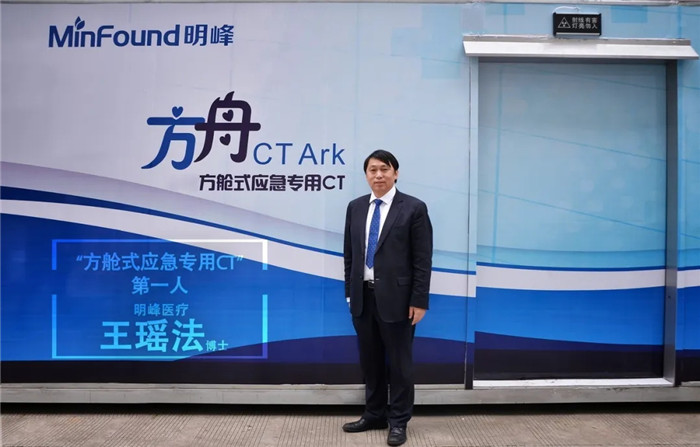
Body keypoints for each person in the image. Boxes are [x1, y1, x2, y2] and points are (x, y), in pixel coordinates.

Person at [342, 150, 433, 446]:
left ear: (396, 173)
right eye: (373, 170)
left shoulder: (413, 208)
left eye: (384, 169)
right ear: (366, 175)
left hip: (399, 301)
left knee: (400, 364)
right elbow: (350, 255)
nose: (378, 175)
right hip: (363, 298)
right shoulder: (356, 207)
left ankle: (399, 421)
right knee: (370, 361)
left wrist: (419, 300)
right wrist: (349, 293)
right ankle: (374, 414)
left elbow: (422, 259)